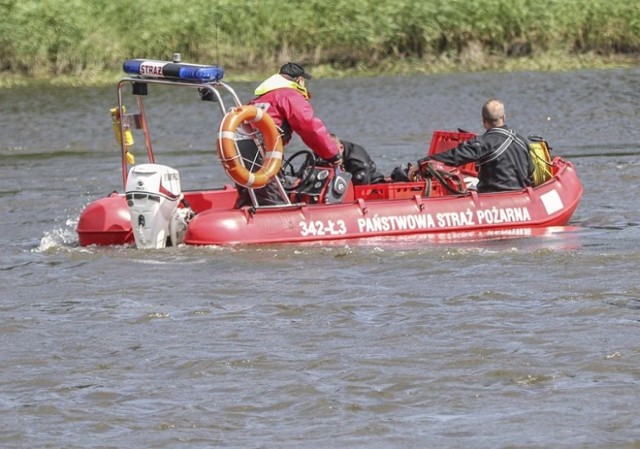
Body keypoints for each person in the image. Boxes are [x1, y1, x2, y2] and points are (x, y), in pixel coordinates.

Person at [235, 62, 342, 207]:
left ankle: (242, 218)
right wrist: (332, 154)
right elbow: (309, 127)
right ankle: (278, 223)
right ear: (299, 80)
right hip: (262, 153)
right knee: (271, 198)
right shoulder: (289, 95)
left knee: (250, 193)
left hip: (238, 151)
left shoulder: (258, 100)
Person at [414, 99, 534, 193]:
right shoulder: (522, 140)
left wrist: (422, 162)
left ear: (483, 121)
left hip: (494, 198)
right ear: (504, 117)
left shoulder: (483, 143)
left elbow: (455, 156)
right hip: (521, 196)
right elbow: (530, 171)